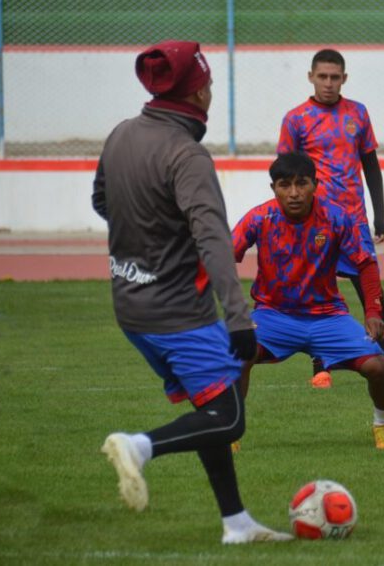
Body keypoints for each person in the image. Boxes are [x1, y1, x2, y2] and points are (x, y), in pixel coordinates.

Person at [91, 40, 291, 544]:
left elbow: (101, 200)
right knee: (228, 418)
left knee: (209, 406)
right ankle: (139, 447)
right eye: (208, 83)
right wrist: (240, 317)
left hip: (130, 309)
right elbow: (214, 241)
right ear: (199, 90)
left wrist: (145, 239)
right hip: (181, 311)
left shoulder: (120, 135)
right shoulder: (187, 154)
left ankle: (236, 523)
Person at [232, 152, 384, 450]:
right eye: (285, 185)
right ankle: (230, 433)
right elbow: (222, 257)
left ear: (315, 185)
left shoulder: (336, 217)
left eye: (301, 184)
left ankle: (383, 425)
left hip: (328, 316)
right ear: (274, 188)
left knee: (378, 366)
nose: (294, 193)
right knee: (237, 353)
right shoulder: (260, 217)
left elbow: (366, 263)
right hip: (273, 315)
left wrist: (373, 311)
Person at [277, 48, 384, 389]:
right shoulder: (296, 119)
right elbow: (285, 175)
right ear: (311, 77)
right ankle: (319, 366)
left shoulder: (358, 113)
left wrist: (379, 214)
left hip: (353, 221)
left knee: (373, 294)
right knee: (315, 295)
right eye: (322, 76)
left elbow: (370, 164)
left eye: (334, 77)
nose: (328, 83)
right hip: (314, 223)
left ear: (344, 79)